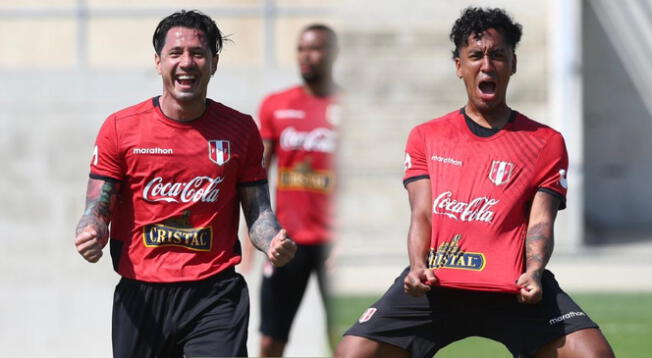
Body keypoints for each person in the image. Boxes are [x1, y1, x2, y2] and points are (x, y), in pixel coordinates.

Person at [335, 7, 615, 358]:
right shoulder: (426, 137)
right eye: (476, 55)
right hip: (438, 286)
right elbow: (422, 214)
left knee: (593, 354)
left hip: (513, 288)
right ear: (458, 66)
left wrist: (534, 271)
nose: (487, 64)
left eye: (498, 55)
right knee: (354, 352)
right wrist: (418, 266)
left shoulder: (546, 141)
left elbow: (541, 220)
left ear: (513, 63)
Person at [73, 10, 297, 358]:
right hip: (142, 293)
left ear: (214, 63)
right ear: (158, 62)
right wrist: (92, 232)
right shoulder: (120, 128)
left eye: (198, 53)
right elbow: (96, 208)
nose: (187, 63)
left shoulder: (240, 130)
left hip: (215, 293)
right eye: (176, 53)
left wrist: (272, 241)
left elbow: (259, 212)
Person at [250, 24, 340, 357]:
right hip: (286, 239)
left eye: (315, 48)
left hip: (333, 244)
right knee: (271, 338)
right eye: (301, 49)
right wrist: (253, 233)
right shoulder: (276, 105)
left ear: (332, 54)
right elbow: (256, 174)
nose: (306, 56)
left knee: (343, 338)